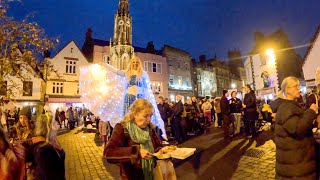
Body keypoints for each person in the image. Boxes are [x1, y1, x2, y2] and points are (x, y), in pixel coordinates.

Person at [80, 56, 166, 140]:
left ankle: (139, 133)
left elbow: (147, 88)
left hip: (140, 98)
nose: (135, 64)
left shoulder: (143, 74)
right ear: (131, 64)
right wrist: (105, 65)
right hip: (129, 97)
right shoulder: (127, 73)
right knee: (129, 116)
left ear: (139, 64)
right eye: (133, 62)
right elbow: (116, 71)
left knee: (140, 116)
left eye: (136, 62)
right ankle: (129, 134)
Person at [104, 98, 163, 180]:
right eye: (145, 116)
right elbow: (108, 153)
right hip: (131, 176)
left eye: (150, 115)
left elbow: (157, 148)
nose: (149, 120)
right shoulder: (122, 128)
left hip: (152, 174)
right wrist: (136, 152)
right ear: (135, 114)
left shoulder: (150, 128)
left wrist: (164, 151)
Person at [274, 76, 319, 179]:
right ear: (287, 90)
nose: (299, 88)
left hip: (296, 163)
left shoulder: (290, 105)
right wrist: (311, 112)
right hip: (296, 168)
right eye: (295, 86)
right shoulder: (287, 107)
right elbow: (297, 129)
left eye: (298, 86)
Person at [25, 114, 65, 179]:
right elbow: (43, 175)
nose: (57, 124)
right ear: (48, 127)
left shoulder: (52, 140)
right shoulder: (43, 148)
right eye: (54, 123)